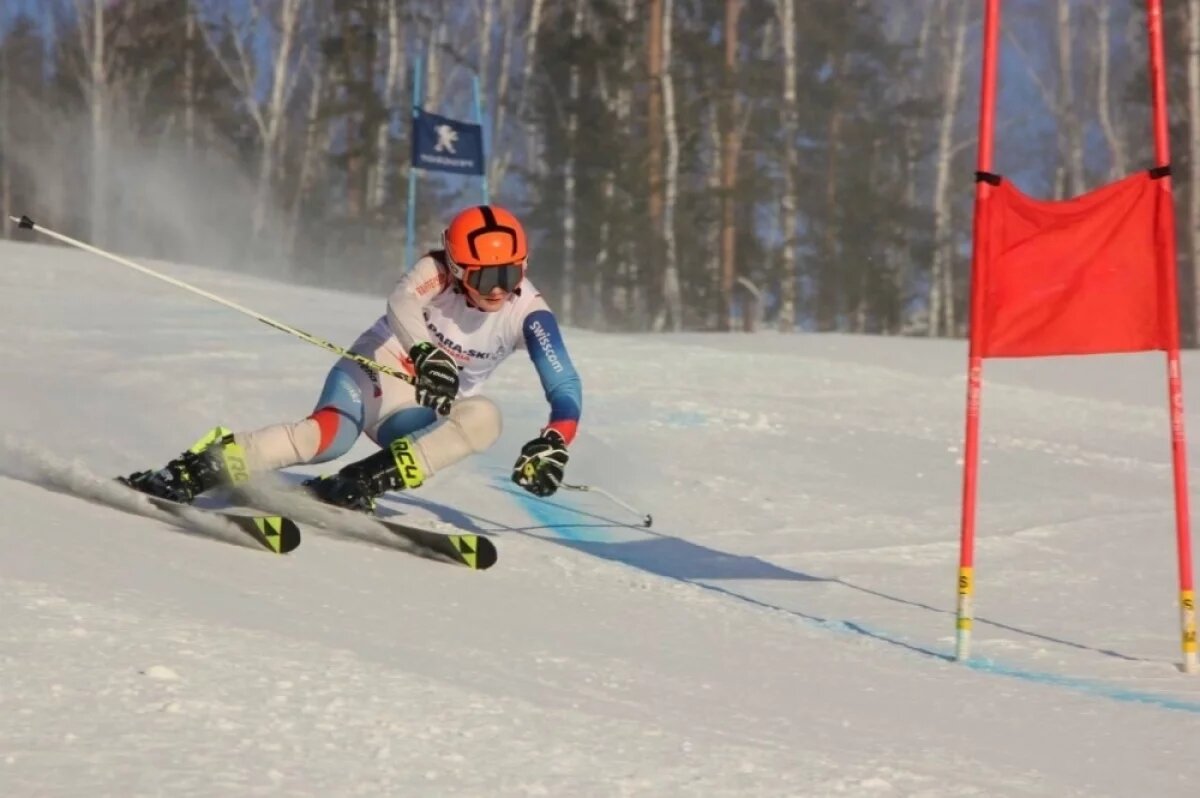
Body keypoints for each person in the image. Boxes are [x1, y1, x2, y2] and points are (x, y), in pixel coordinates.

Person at [123, 204, 582, 513]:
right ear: (460, 271)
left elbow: (565, 390)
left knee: (485, 418)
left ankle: (361, 482)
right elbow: (401, 301)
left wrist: (555, 441)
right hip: (375, 370)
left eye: (511, 273)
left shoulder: (529, 314)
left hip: (415, 410)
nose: (500, 289)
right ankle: (199, 467)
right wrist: (424, 353)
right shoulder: (436, 271)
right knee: (324, 440)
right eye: (485, 278)